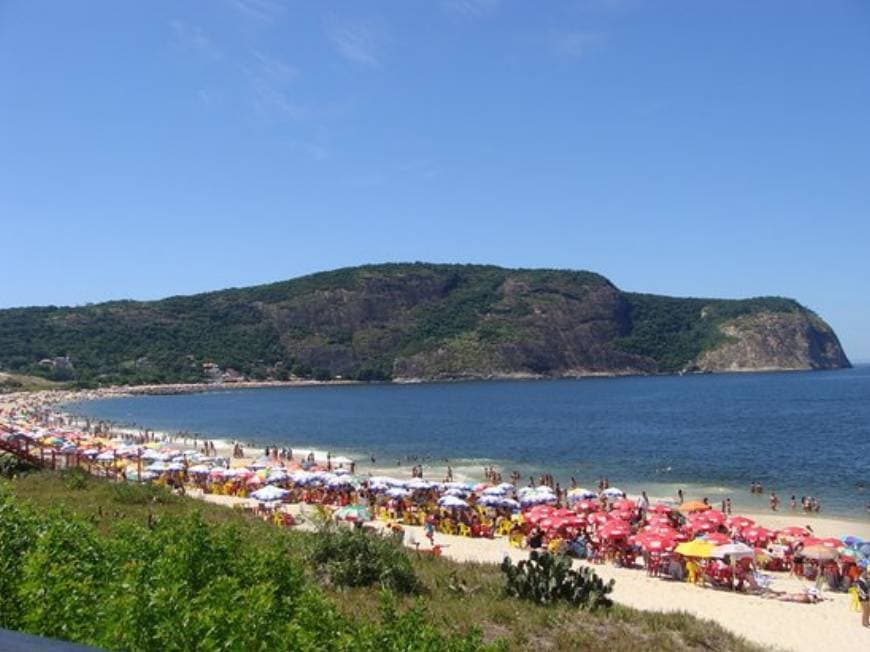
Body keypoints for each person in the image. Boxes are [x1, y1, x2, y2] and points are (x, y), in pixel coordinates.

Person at [857, 562, 870, 628]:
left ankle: (867, 622)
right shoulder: (860, 580)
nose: (867, 574)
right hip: (862, 597)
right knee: (865, 610)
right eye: (866, 573)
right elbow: (861, 590)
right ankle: (864, 623)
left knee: (868, 610)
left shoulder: (866, 579)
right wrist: (866, 594)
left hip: (866, 596)